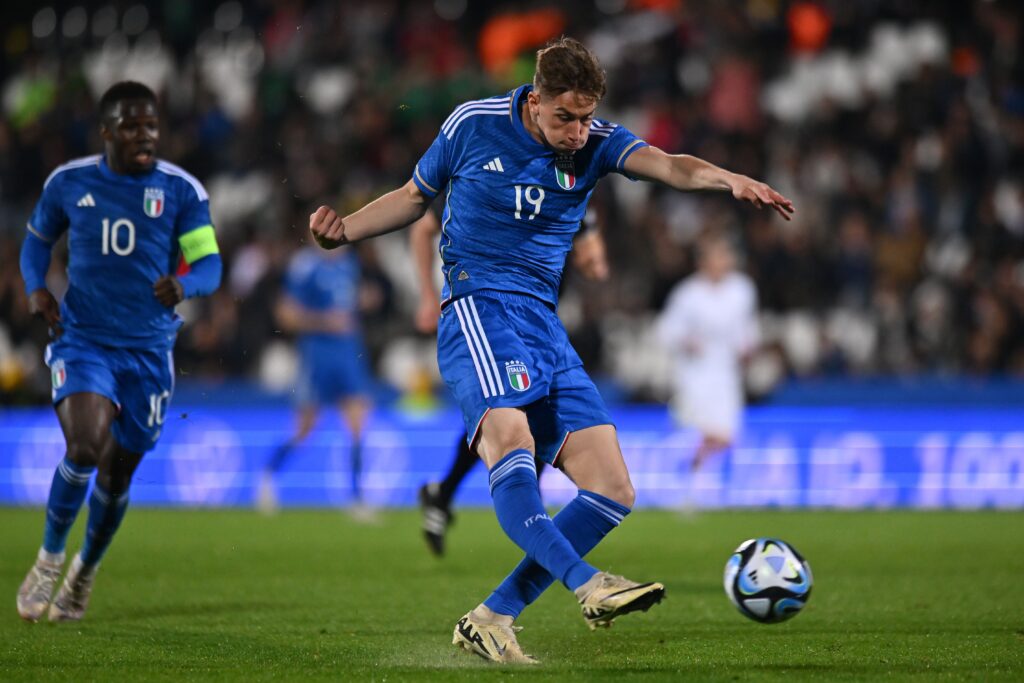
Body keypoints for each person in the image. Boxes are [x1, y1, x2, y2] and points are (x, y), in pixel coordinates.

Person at [308, 37, 793, 663]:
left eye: (587, 116)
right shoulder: (472, 125)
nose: (578, 130)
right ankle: (588, 583)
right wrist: (344, 230)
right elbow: (411, 198)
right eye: (566, 116)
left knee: (613, 488)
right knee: (511, 442)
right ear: (534, 101)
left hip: (543, 323)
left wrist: (729, 180)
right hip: (479, 308)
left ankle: (491, 617)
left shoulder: (596, 143)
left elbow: (670, 165)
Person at [16, 81, 222, 622]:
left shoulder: (181, 190)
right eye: (131, 126)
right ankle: (48, 558)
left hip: (150, 351)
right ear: (106, 131)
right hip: (83, 338)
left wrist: (186, 286)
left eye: (151, 125)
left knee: (118, 474)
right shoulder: (69, 182)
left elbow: (209, 265)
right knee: (85, 446)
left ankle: (83, 574)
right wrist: (37, 286)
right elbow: (36, 240)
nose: (144, 135)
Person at [410, 210, 610, 556]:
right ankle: (530, 515)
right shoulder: (490, 174)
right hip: (490, 314)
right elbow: (423, 227)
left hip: (539, 317)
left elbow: (591, 253)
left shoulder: (571, 185)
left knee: (520, 414)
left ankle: (445, 495)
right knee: (509, 412)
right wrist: (428, 296)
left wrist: (592, 258)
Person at [257, 242, 373, 517]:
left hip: (348, 353)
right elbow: (285, 315)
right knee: (305, 429)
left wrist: (364, 301)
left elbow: (346, 302)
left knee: (358, 422)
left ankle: (357, 499)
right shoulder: (305, 265)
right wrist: (324, 322)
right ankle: (267, 477)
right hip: (317, 354)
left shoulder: (349, 264)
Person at [656, 234, 760, 475]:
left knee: (727, 436)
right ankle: (689, 478)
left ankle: (693, 467)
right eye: (717, 256)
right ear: (703, 262)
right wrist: (686, 341)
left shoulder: (742, 290)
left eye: (726, 255)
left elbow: (747, 329)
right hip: (695, 374)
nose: (723, 261)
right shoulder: (687, 293)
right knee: (700, 428)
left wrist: (748, 349)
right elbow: (666, 330)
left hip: (726, 373)